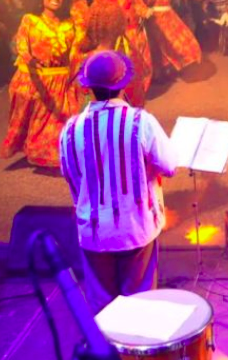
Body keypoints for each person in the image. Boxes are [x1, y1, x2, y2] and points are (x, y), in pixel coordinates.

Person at [59, 50, 177, 313]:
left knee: (103, 308)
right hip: (135, 227)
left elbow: (69, 175)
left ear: (88, 88)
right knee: (140, 305)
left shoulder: (70, 129)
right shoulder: (140, 122)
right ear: (124, 86)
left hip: (93, 231)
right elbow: (170, 167)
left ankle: (108, 352)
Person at [1, 0, 79, 167]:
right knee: (37, 122)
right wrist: (28, 58)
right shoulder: (30, 20)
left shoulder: (69, 23)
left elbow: (80, 47)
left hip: (62, 80)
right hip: (37, 80)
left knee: (61, 120)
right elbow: (20, 43)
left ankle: (58, 155)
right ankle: (39, 153)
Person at [92, 0, 153, 107]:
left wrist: (147, 12)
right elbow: (96, 15)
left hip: (134, 38)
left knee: (136, 75)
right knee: (115, 74)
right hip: (113, 40)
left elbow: (143, 10)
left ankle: (134, 107)